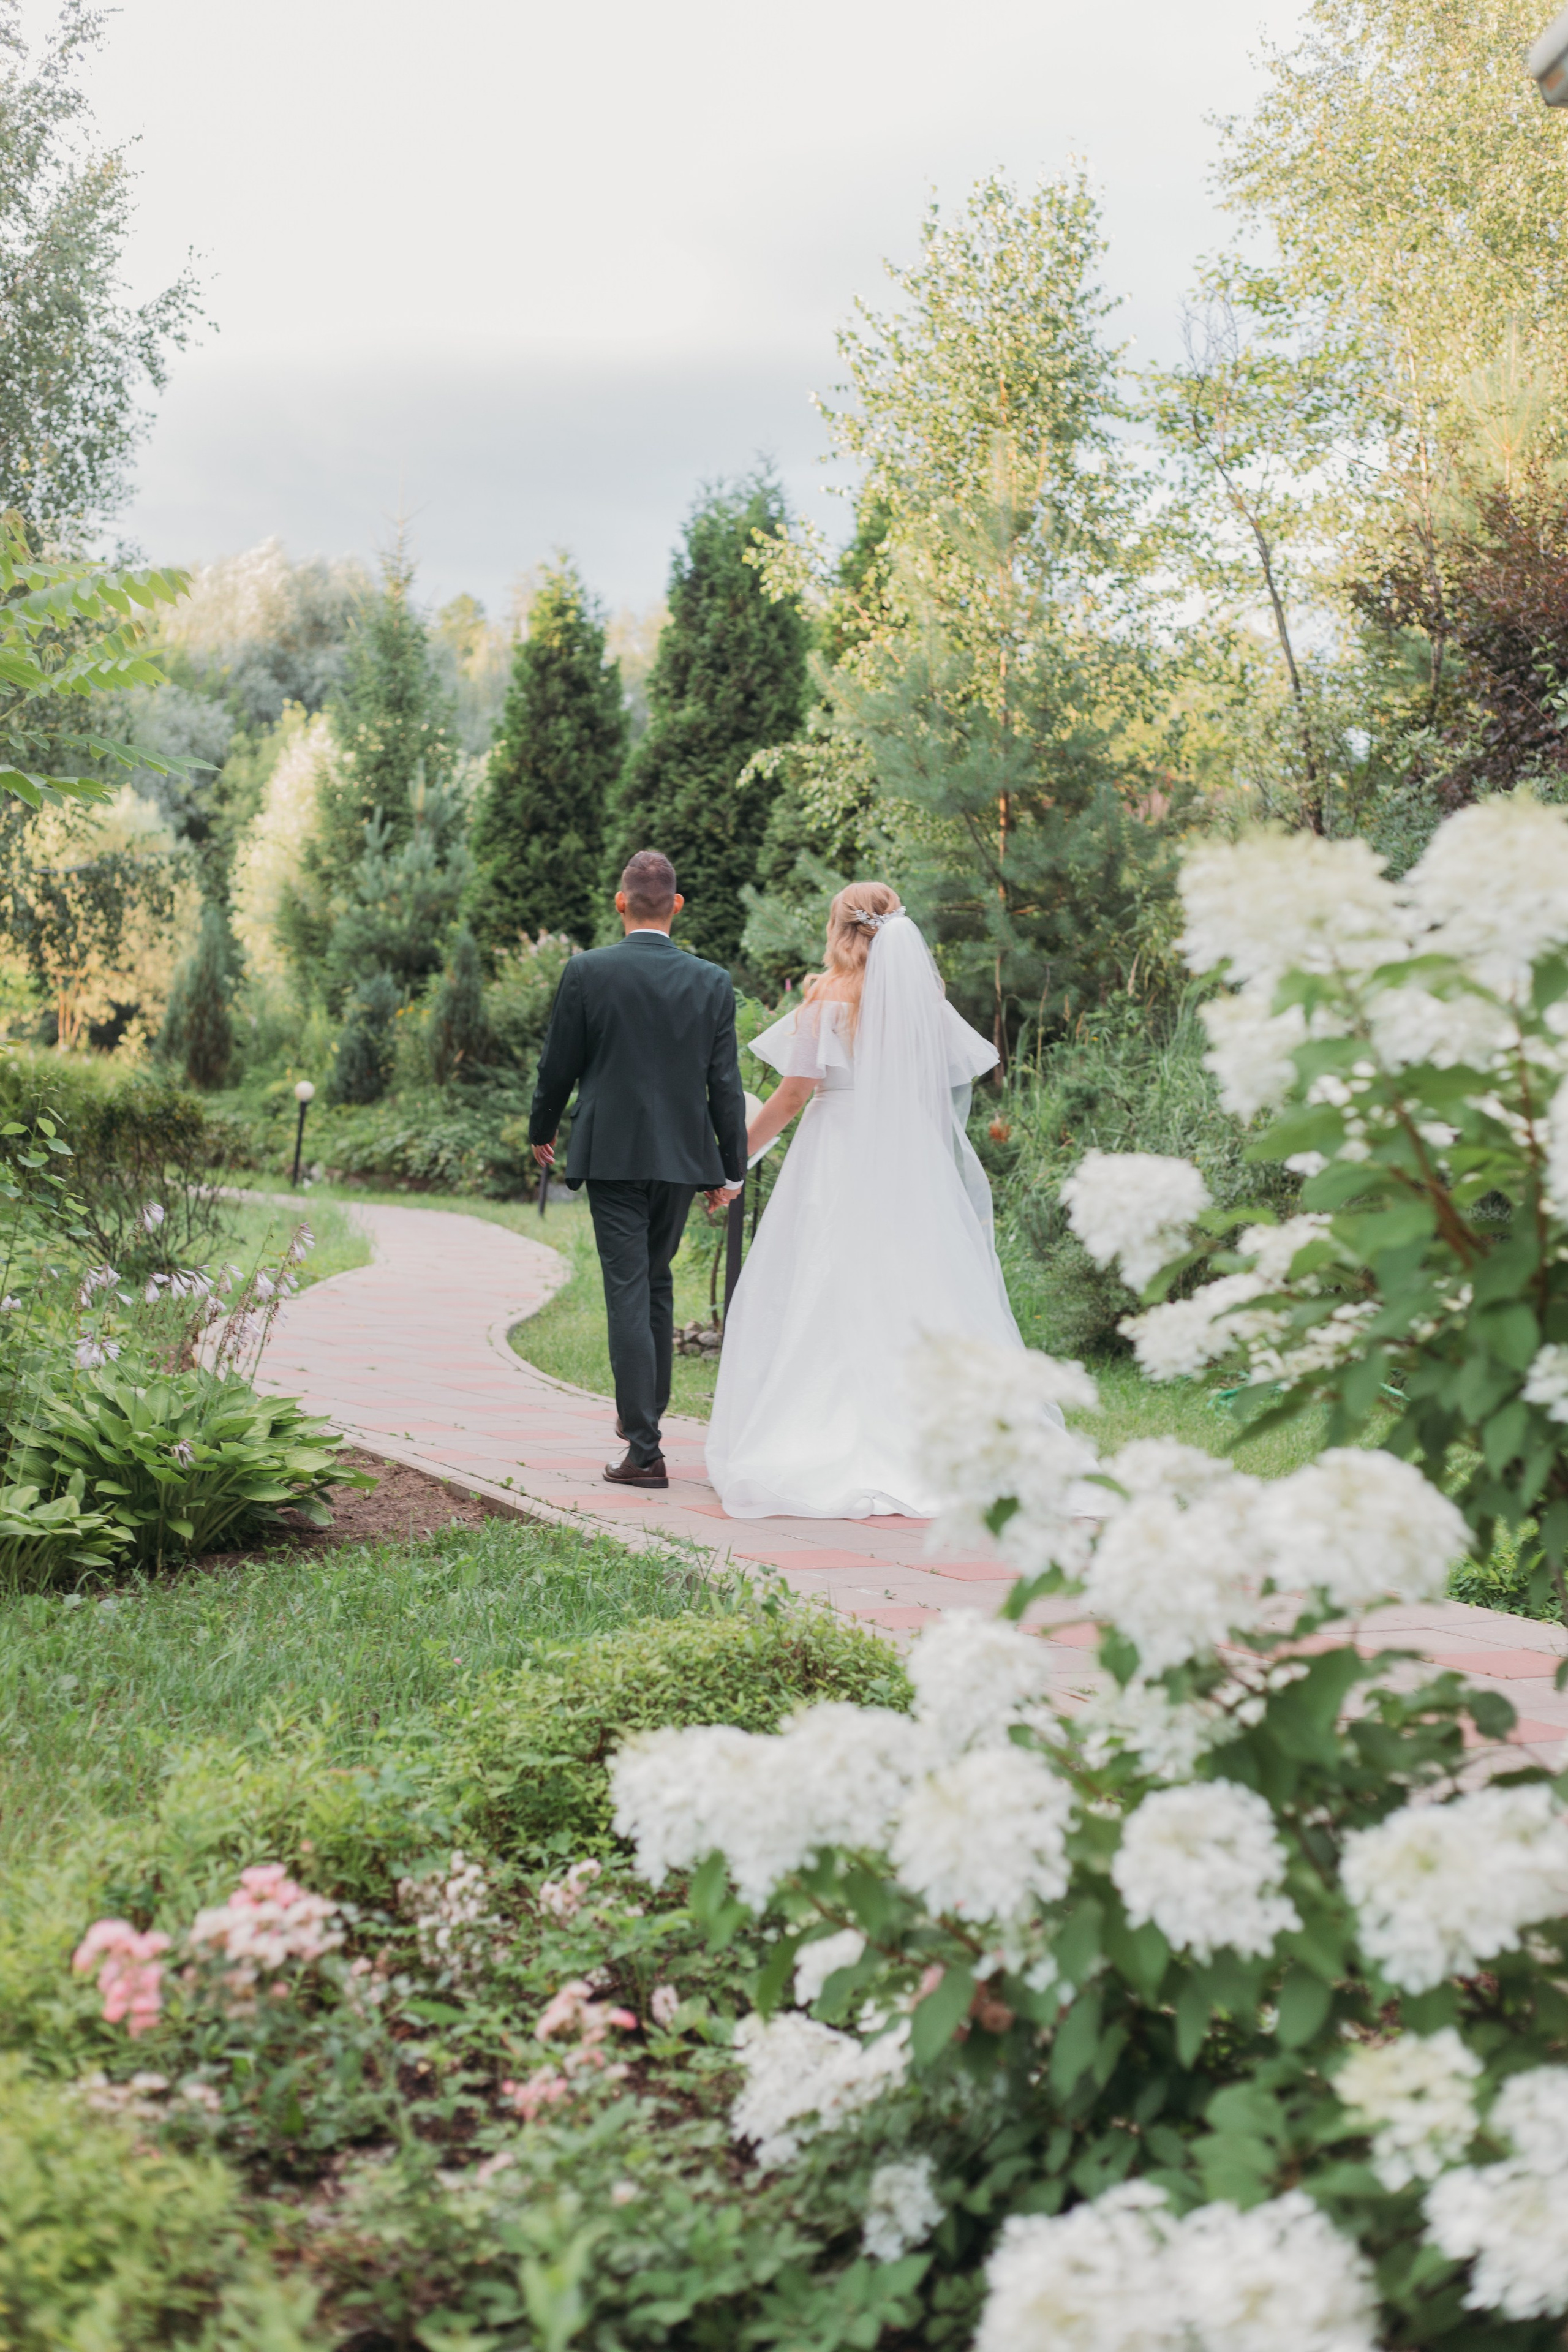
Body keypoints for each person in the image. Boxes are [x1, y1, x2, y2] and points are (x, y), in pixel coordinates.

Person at [707, 883, 1033, 1519]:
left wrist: (732, 1159)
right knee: (916, 1285)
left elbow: (793, 1097)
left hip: (836, 1157)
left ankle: (830, 1428)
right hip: (909, 1162)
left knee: (828, 1282)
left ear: (839, 928)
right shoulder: (923, 1004)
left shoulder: (826, 999)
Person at [530, 848, 747, 1489]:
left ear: (620, 902)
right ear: (676, 905)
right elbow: (725, 1087)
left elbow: (557, 1066)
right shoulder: (712, 982)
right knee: (653, 1282)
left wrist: (540, 1130)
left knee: (629, 1287)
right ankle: (642, 1426)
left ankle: (644, 1449)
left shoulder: (586, 972)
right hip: (681, 1159)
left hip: (614, 1154)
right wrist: (729, 1171)